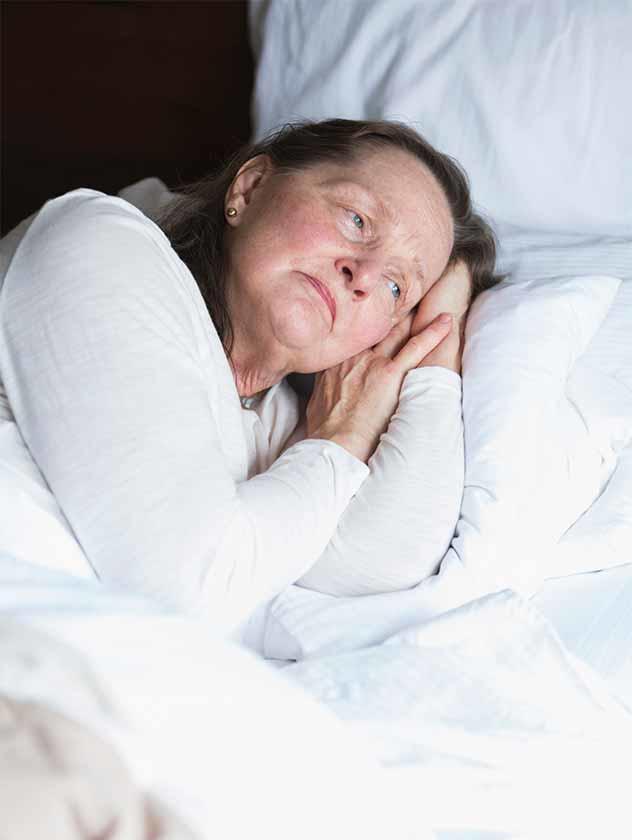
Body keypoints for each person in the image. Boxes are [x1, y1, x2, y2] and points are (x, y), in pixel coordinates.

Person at [0, 119, 499, 634]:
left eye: (397, 287)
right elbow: (188, 591)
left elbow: (383, 558)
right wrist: (342, 440)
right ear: (251, 186)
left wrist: (444, 322)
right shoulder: (97, 244)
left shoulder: (278, 421)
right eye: (356, 219)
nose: (365, 274)